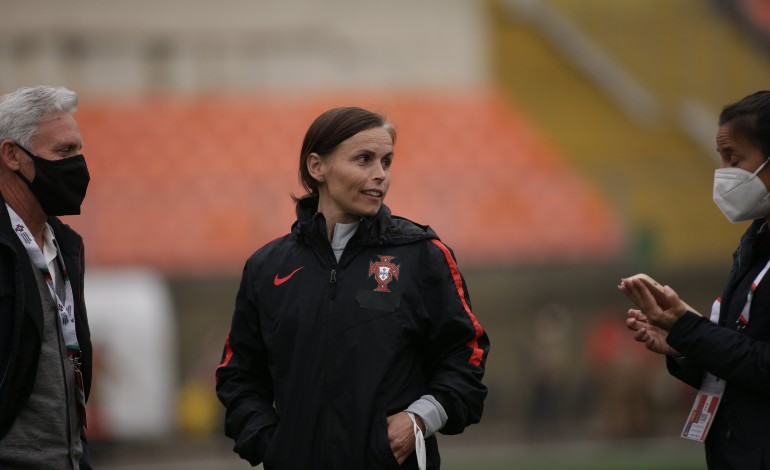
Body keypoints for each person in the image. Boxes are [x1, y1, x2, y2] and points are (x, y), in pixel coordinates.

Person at [216, 106, 489, 469]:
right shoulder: (266, 268)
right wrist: (271, 444)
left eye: (386, 162)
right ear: (317, 168)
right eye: (364, 160)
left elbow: (466, 354)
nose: (380, 175)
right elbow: (239, 375)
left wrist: (420, 418)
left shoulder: (423, 256)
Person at [619, 90, 770, 469]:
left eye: (734, 158)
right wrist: (681, 344)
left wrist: (688, 327)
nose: (722, 172)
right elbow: (740, 356)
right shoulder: (754, 242)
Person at [0, 86, 93, 469]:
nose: (78, 166)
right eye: (63, 152)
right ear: (12, 156)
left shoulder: (67, 246)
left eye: (78, 150)